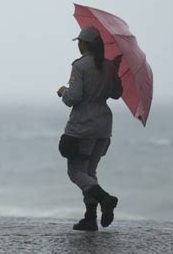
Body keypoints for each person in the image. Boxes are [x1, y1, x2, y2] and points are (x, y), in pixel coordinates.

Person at [57, 26, 123, 231]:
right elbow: (116, 94)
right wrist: (115, 71)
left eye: (79, 42)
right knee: (90, 171)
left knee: (75, 172)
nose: (78, 45)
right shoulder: (110, 66)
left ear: (85, 44)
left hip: (82, 127)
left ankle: (105, 199)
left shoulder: (80, 66)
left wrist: (63, 91)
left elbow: (73, 98)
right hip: (103, 127)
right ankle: (90, 218)